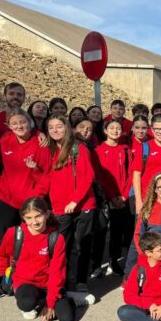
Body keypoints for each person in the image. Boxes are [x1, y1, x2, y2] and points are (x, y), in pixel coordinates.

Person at [35, 116, 97, 295]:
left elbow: (87, 177)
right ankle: (62, 279)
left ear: (67, 128)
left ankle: (80, 281)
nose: (55, 130)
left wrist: (75, 200)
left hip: (82, 205)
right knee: (62, 245)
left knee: (82, 245)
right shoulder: (51, 150)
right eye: (51, 127)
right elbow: (48, 177)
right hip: (60, 207)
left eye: (59, 126)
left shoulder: (78, 148)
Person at [0, 197, 77, 321]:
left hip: (49, 284)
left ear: (47, 214)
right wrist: (4, 276)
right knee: (26, 303)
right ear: (23, 217)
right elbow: (3, 255)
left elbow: (57, 273)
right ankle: (37, 301)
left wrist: (50, 305)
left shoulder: (56, 238)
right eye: (29, 217)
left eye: (38, 216)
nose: (34, 222)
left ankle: (66, 299)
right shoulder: (14, 233)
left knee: (67, 319)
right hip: (25, 284)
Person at [0, 108, 51, 255]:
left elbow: (46, 175)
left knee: (29, 238)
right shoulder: (4, 140)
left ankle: (25, 269)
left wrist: (36, 197)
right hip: (7, 199)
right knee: (4, 237)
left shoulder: (40, 143)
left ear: (30, 123)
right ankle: (1, 270)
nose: (19, 126)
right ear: (8, 126)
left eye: (23, 122)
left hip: (30, 201)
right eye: (14, 123)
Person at [92, 119, 132, 276]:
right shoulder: (98, 151)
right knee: (100, 232)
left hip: (123, 198)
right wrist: (111, 196)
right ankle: (96, 264)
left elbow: (130, 174)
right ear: (105, 131)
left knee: (117, 232)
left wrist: (124, 196)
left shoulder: (126, 150)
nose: (115, 131)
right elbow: (98, 176)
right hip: (106, 198)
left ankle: (114, 261)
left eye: (119, 128)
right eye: (112, 128)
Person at [125, 173, 161, 277]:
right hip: (150, 255)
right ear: (155, 189)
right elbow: (138, 234)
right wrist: (143, 253)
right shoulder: (147, 209)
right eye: (160, 187)